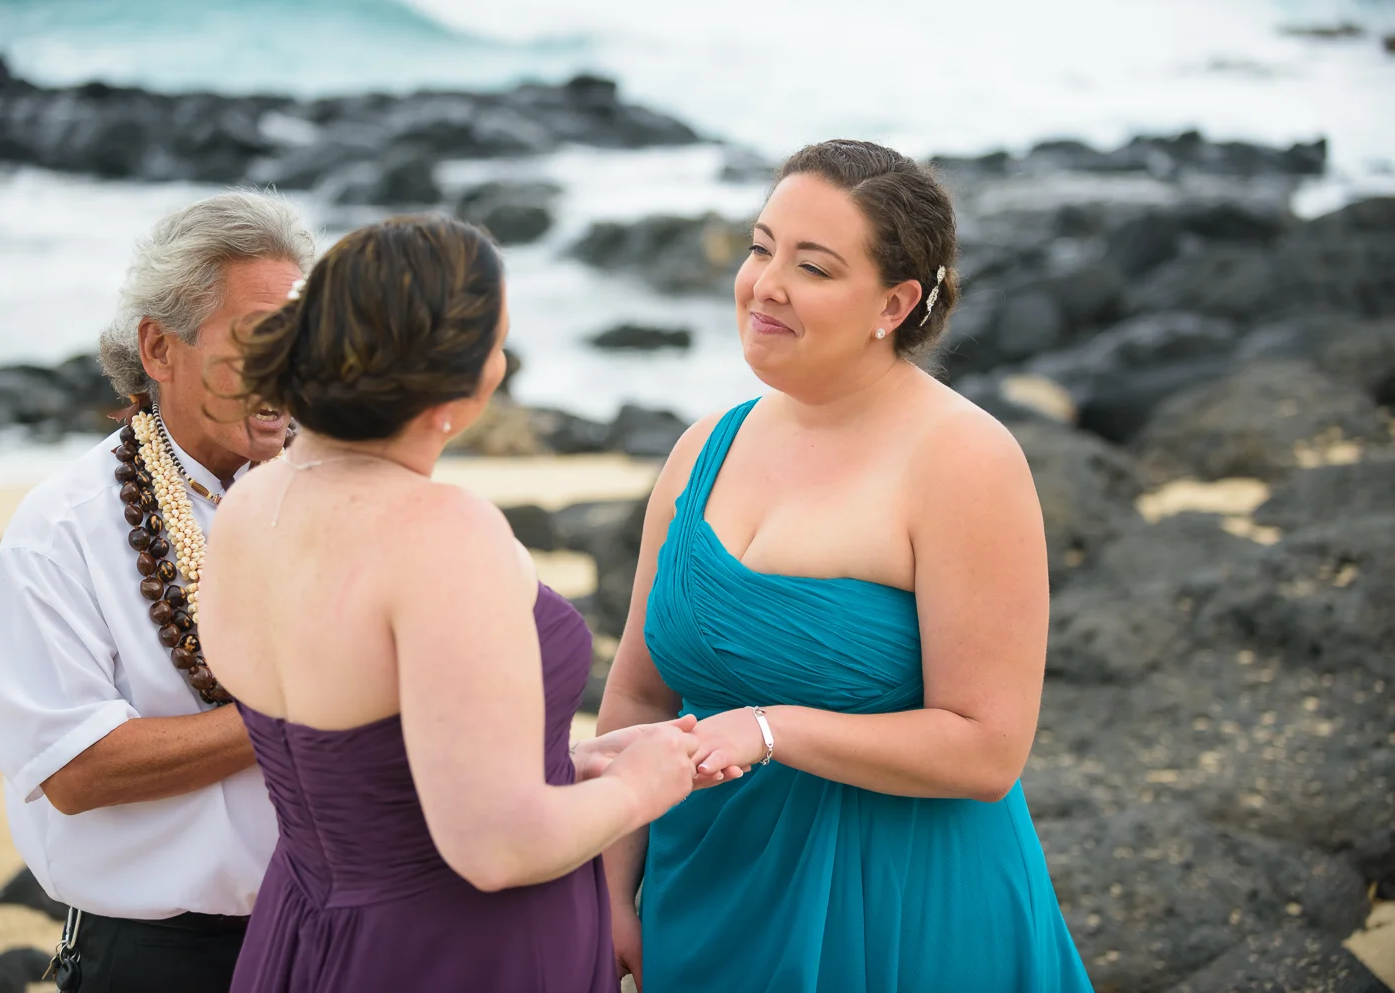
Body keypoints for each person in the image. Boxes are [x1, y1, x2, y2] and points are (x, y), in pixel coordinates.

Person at [596, 139, 1095, 992]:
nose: (766, 285)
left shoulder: (964, 461)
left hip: (900, 913)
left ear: (894, 303)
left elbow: (988, 749)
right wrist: (606, 890)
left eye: (814, 268)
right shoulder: (700, 450)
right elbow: (640, 693)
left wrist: (768, 729)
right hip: (705, 896)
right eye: (761, 248)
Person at [196, 214, 706, 993]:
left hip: (305, 927)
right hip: (457, 950)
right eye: (497, 344)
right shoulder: (444, 533)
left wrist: (566, 765)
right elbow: (494, 848)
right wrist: (643, 785)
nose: (502, 363)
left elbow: (363, 759)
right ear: (455, 390)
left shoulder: (248, 506)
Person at [0, 191, 316, 992]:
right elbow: (79, 767)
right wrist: (304, 708)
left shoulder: (339, 495)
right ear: (159, 348)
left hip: (339, 936)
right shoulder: (65, 526)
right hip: (162, 958)